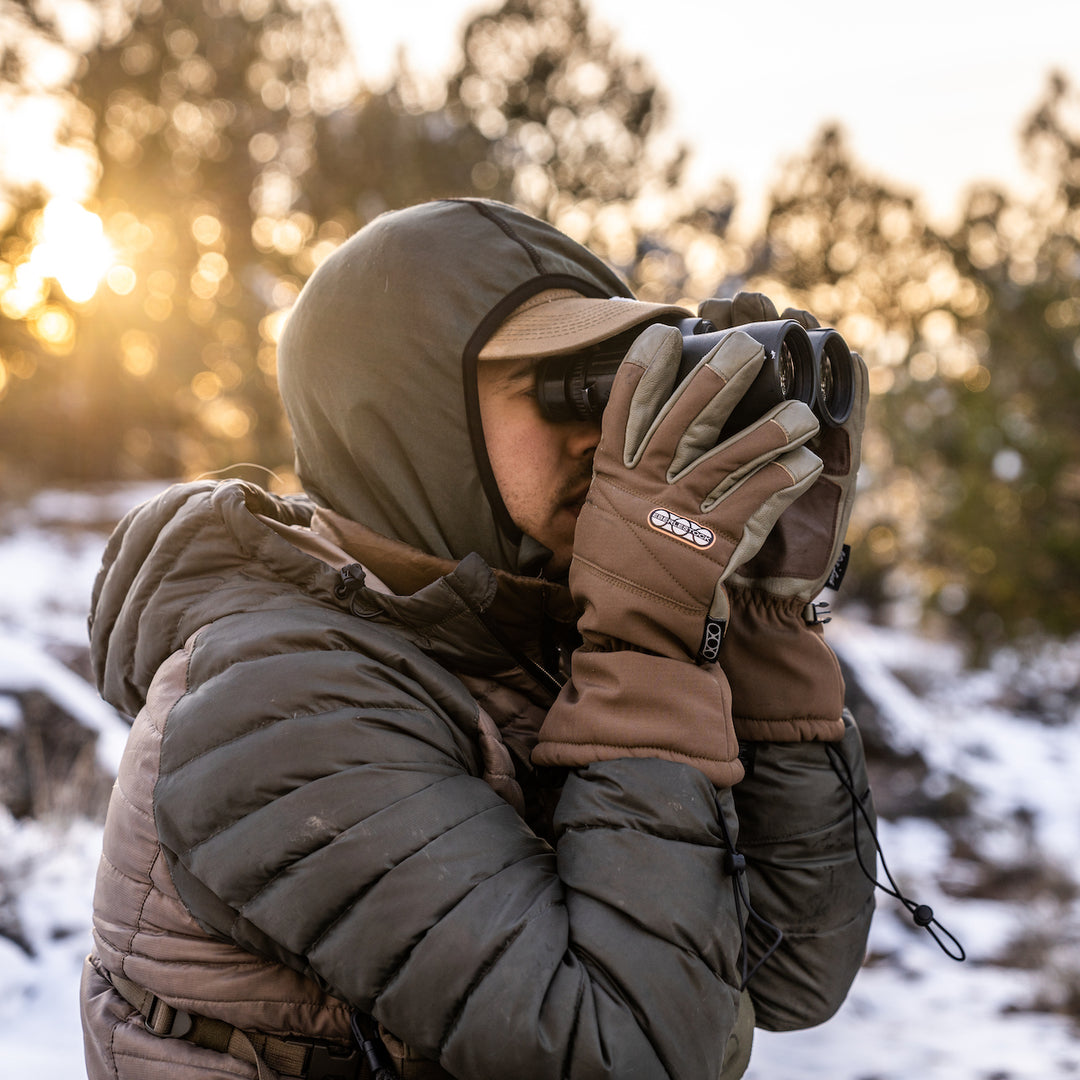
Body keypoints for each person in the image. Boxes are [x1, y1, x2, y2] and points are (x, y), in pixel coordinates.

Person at [80, 197, 877, 1080]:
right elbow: (629, 1057)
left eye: (620, 386)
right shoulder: (272, 700)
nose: (605, 436)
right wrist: (649, 633)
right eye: (559, 388)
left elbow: (790, 969)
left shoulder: (519, 636)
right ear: (416, 416)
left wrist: (761, 605)